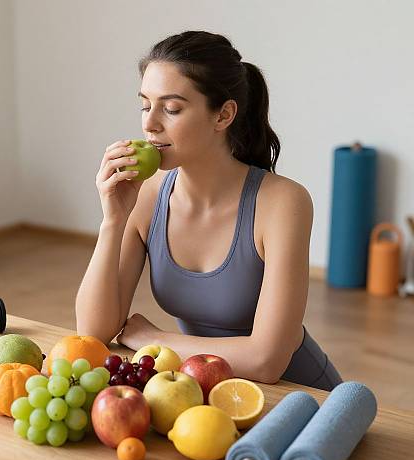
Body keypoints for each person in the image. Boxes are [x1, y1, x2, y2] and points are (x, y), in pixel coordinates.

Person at [75, 30, 342, 391]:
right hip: (207, 391)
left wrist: (154, 341)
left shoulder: (283, 203)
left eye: (171, 108)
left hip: (300, 398)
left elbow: (267, 361)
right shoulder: (147, 197)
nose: (149, 123)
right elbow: (93, 333)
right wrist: (113, 220)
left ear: (223, 115)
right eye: (144, 104)